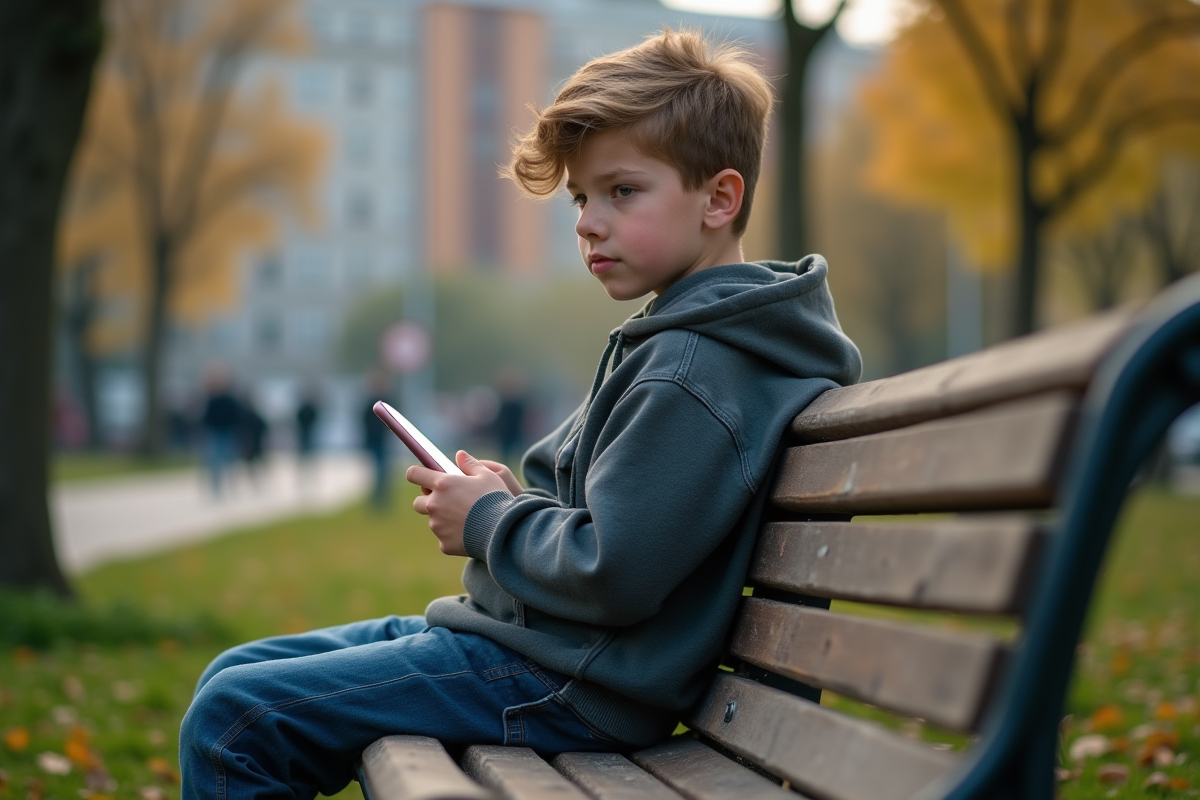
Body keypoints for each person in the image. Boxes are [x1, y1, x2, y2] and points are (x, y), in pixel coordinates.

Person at [179, 29, 862, 800]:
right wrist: (512, 502)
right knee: (237, 671)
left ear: (720, 198)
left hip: (570, 682)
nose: (587, 221)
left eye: (621, 191)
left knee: (234, 720)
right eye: (581, 198)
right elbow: (623, 530)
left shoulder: (693, 369)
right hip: (547, 652)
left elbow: (615, 574)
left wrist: (490, 522)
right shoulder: (688, 341)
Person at [198, 366, 241, 498]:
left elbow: (236, 416)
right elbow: (206, 418)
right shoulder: (211, 399)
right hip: (215, 432)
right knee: (214, 461)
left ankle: (231, 486)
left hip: (228, 432)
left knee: (229, 460)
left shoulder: (229, 399)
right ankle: (216, 487)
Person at [361, 370, 393, 511]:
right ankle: (378, 498)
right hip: (374, 440)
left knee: (382, 469)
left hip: (382, 440)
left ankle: (381, 499)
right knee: (378, 470)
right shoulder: (369, 401)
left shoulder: (385, 401)